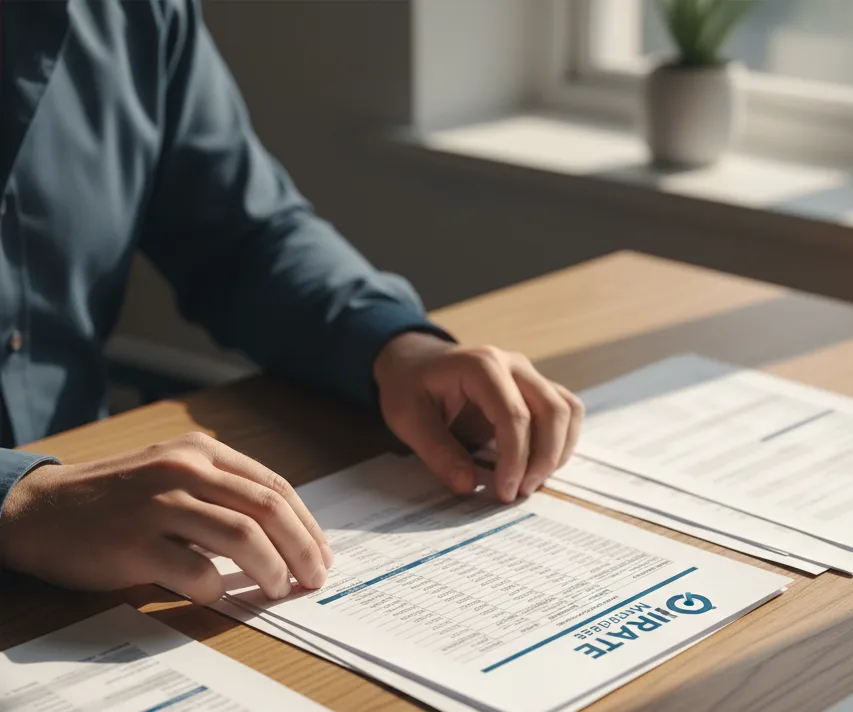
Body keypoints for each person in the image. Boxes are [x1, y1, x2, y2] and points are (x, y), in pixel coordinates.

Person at [0, 0, 584, 605]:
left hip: (103, 539)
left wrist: (390, 344)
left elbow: (243, 238)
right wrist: (18, 500)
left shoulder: (139, 15)